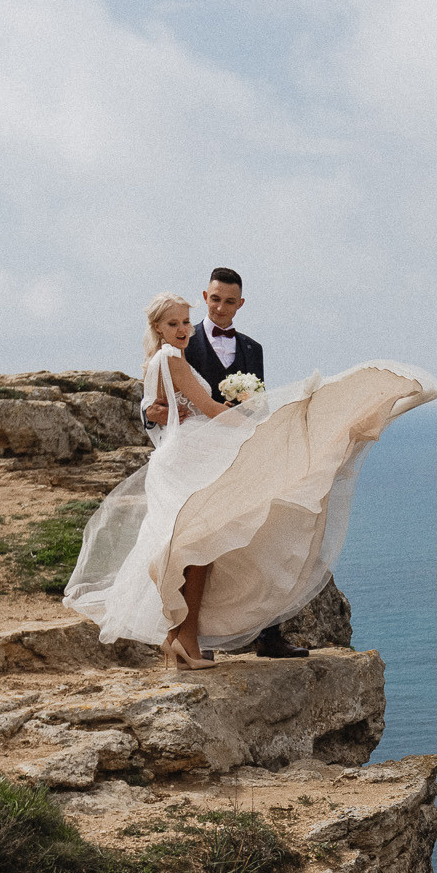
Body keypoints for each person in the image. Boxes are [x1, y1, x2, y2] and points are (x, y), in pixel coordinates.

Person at [65, 290, 437, 669]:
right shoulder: (173, 361)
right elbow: (207, 408)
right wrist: (264, 421)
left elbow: (169, 404)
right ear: (158, 327)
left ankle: (179, 638)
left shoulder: (159, 361)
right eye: (173, 323)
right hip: (190, 458)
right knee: (196, 547)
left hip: (182, 456)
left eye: (183, 322)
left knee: (190, 548)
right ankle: (187, 639)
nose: (182, 330)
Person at [143, 267, 303, 657]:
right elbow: (153, 403)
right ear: (205, 296)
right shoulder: (181, 344)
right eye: (214, 299)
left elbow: (258, 406)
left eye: (229, 301)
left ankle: (267, 634)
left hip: (237, 453)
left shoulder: (253, 349)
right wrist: (154, 414)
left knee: (258, 538)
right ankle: (196, 638)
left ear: (240, 304)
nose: (220, 307)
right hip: (197, 458)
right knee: (203, 546)